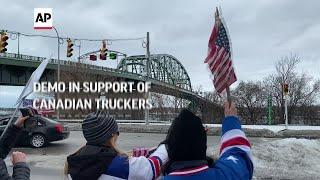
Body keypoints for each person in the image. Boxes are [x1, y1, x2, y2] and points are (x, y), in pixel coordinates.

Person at [162, 101, 253, 179]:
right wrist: (231, 120)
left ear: (170, 146)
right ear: (202, 144)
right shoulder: (226, 175)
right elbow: (240, 156)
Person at [65, 111, 168, 180]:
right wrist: (166, 145)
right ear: (112, 136)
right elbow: (153, 166)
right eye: (117, 132)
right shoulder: (121, 165)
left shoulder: (72, 163)